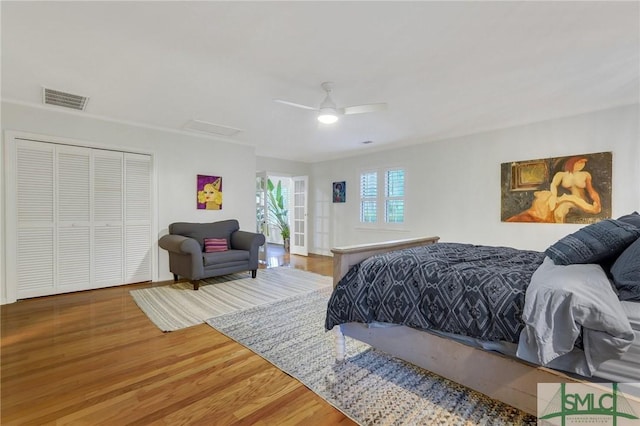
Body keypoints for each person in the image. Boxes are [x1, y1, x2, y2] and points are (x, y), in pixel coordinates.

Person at [506, 156, 601, 223]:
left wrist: (597, 202)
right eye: (580, 162)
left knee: (567, 202)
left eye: (584, 162)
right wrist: (554, 197)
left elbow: (592, 191)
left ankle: (590, 208)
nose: (582, 164)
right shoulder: (561, 175)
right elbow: (554, 185)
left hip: (582, 201)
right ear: (572, 163)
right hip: (567, 201)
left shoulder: (585, 174)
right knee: (558, 212)